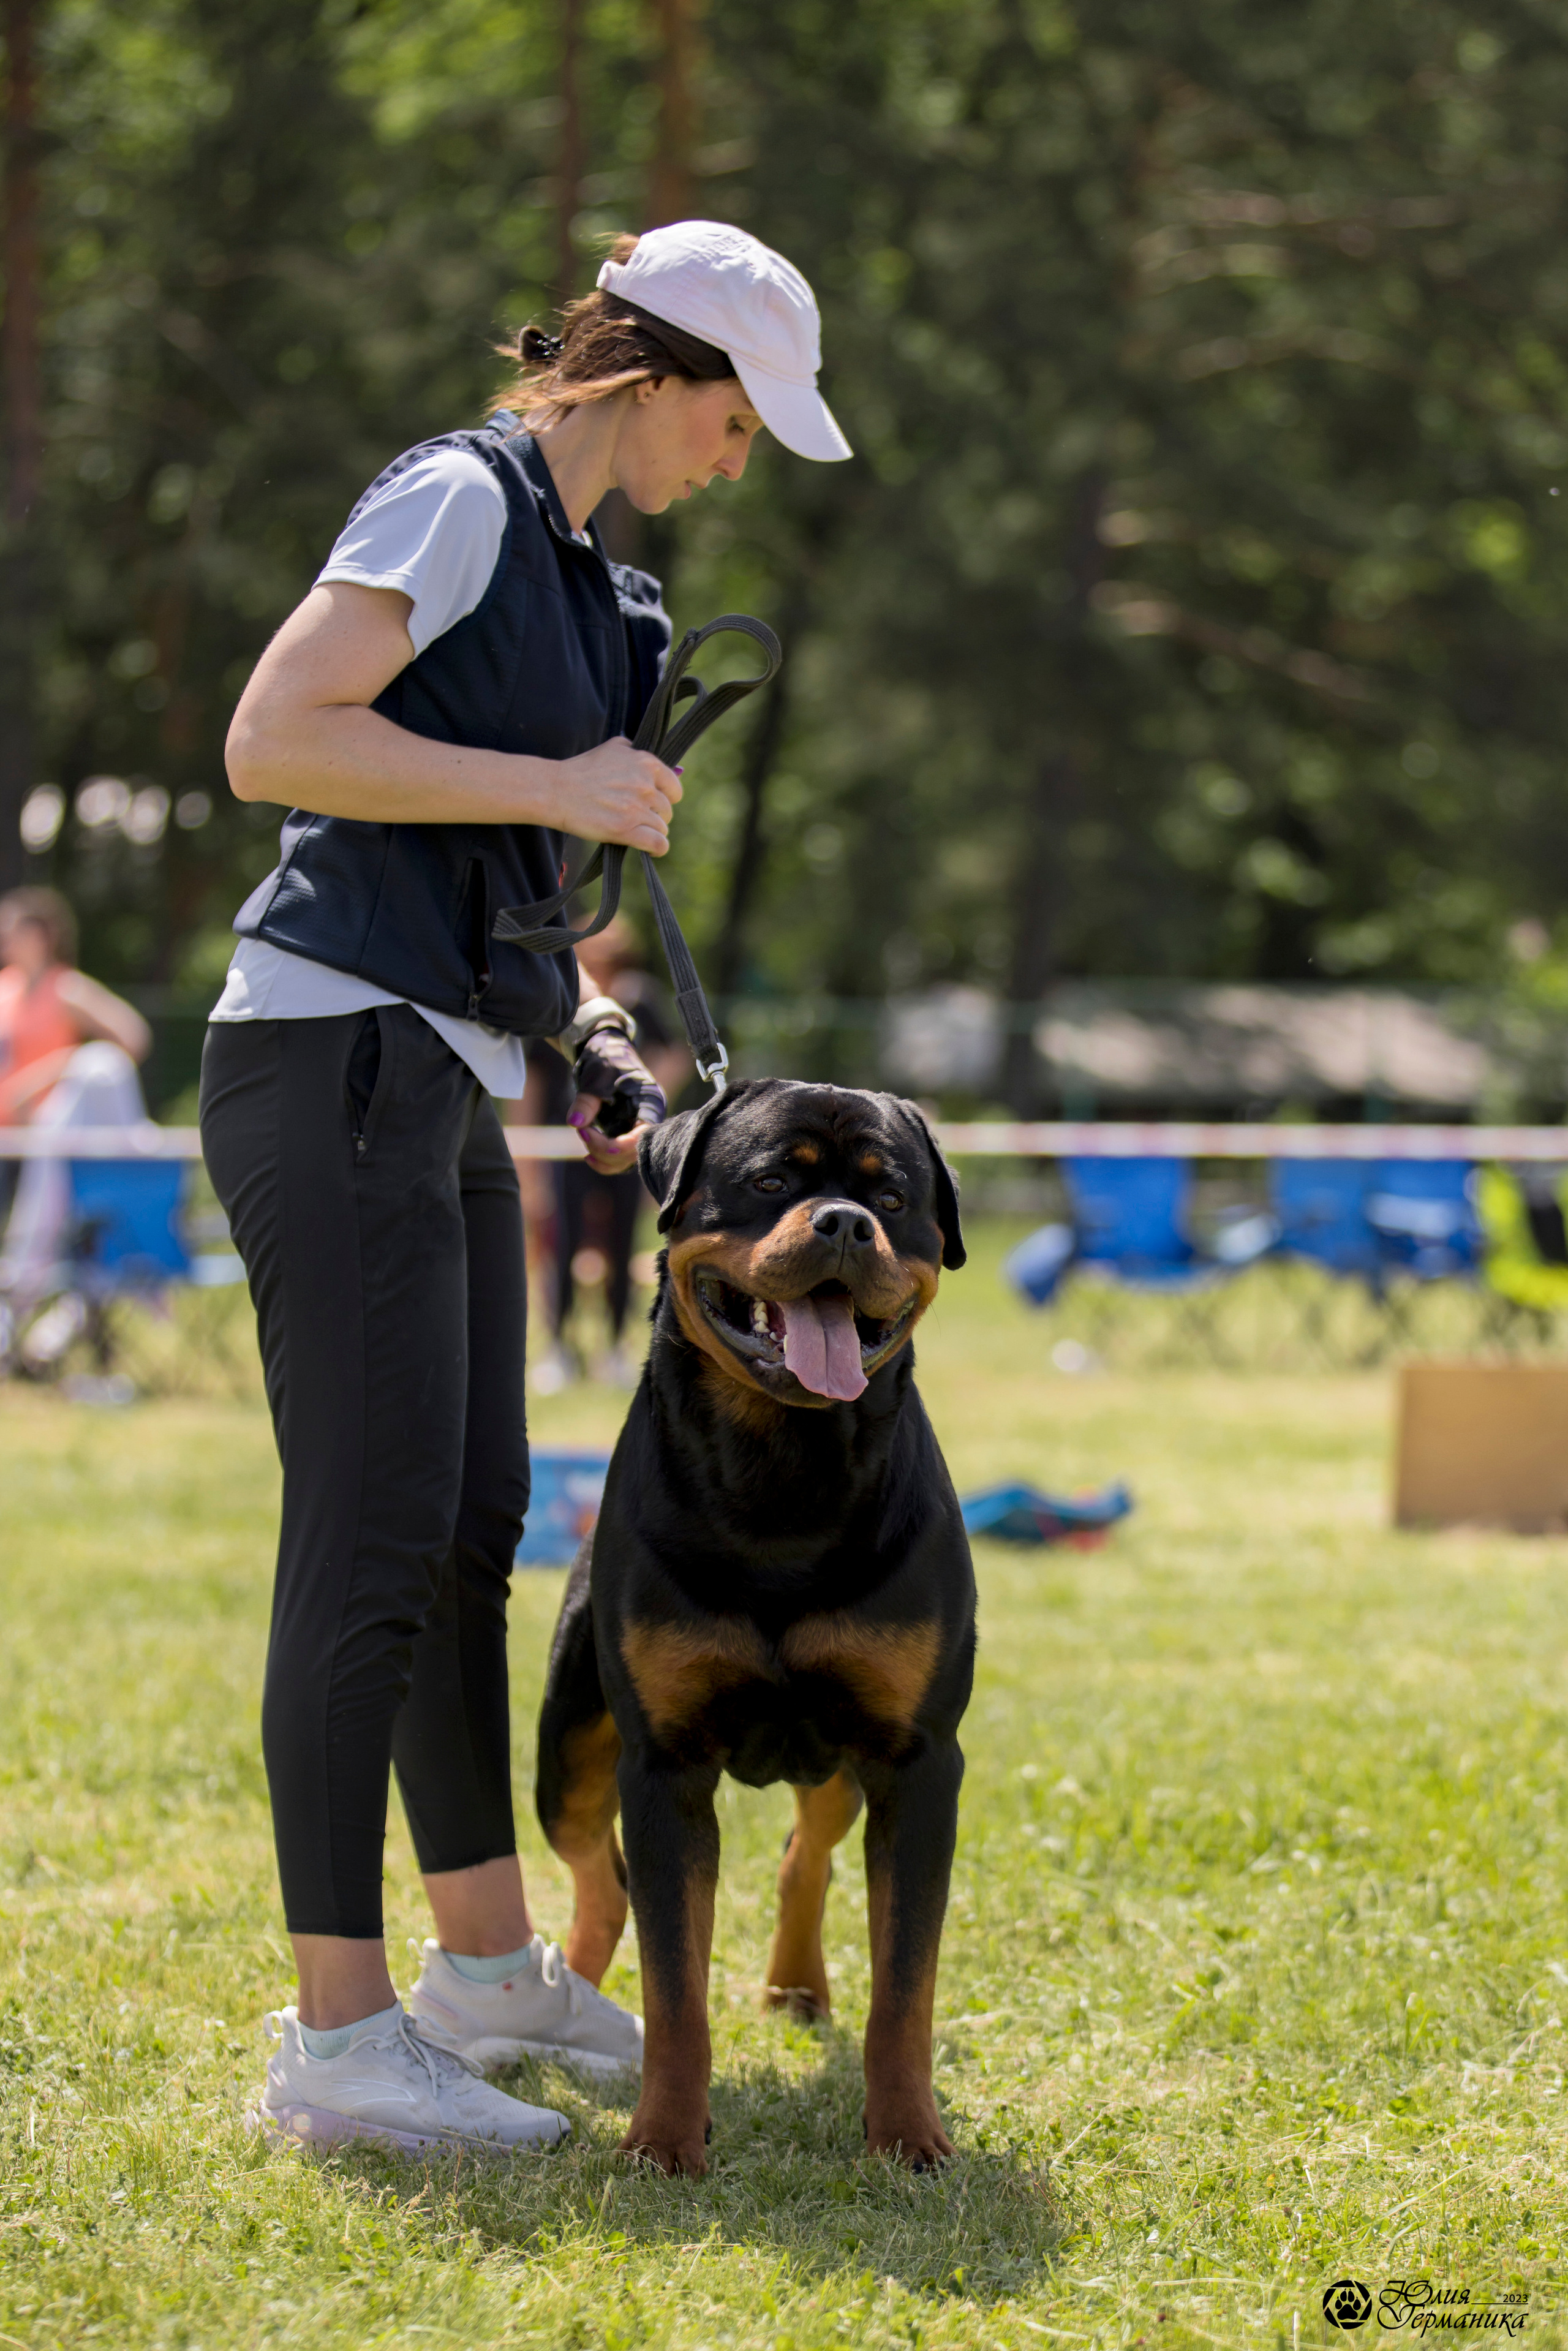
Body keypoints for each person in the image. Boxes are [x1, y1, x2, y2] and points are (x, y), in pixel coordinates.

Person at [197, 219, 851, 2157]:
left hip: (447, 1070)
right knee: (372, 1537)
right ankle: (336, 2037)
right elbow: (274, 740)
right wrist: (570, 792)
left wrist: (585, 1031)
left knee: (476, 1525)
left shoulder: (591, 580)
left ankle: (482, 1967)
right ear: (652, 373)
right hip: (330, 1061)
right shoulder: (458, 495)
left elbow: (492, 883)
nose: (741, 459)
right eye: (739, 420)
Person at [526, 915, 690, 1392]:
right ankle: (558, 1347)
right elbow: (532, 1080)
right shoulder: (557, 1001)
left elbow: (673, 1053)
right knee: (561, 1243)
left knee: (622, 1243)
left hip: (626, 1144)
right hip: (566, 1145)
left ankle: (618, 1346)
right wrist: (529, 1159)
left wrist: (652, 1103)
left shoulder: (641, 997)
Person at [0, 888, 153, 1326]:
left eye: (14, 929)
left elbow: (132, 1037)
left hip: (53, 1142)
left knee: (47, 1240)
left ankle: (39, 1331)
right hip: (9, 1140)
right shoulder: (6, 988)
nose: (5, 937)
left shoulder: (65, 988)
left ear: (42, 936)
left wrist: (46, 1076)